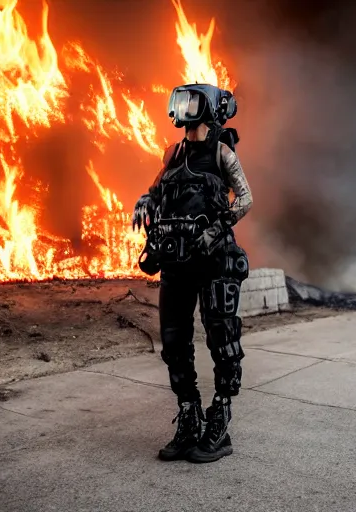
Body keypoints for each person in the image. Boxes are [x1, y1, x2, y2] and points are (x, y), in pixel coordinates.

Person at [132, 83, 253, 463]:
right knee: (173, 343)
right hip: (175, 263)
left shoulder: (221, 153)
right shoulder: (172, 153)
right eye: (180, 102)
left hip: (213, 260)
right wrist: (144, 201)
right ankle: (189, 415)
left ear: (211, 108)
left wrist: (218, 228)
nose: (184, 110)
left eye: (192, 102)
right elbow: (155, 191)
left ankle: (219, 418)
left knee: (223, 339)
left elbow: (246, 197)